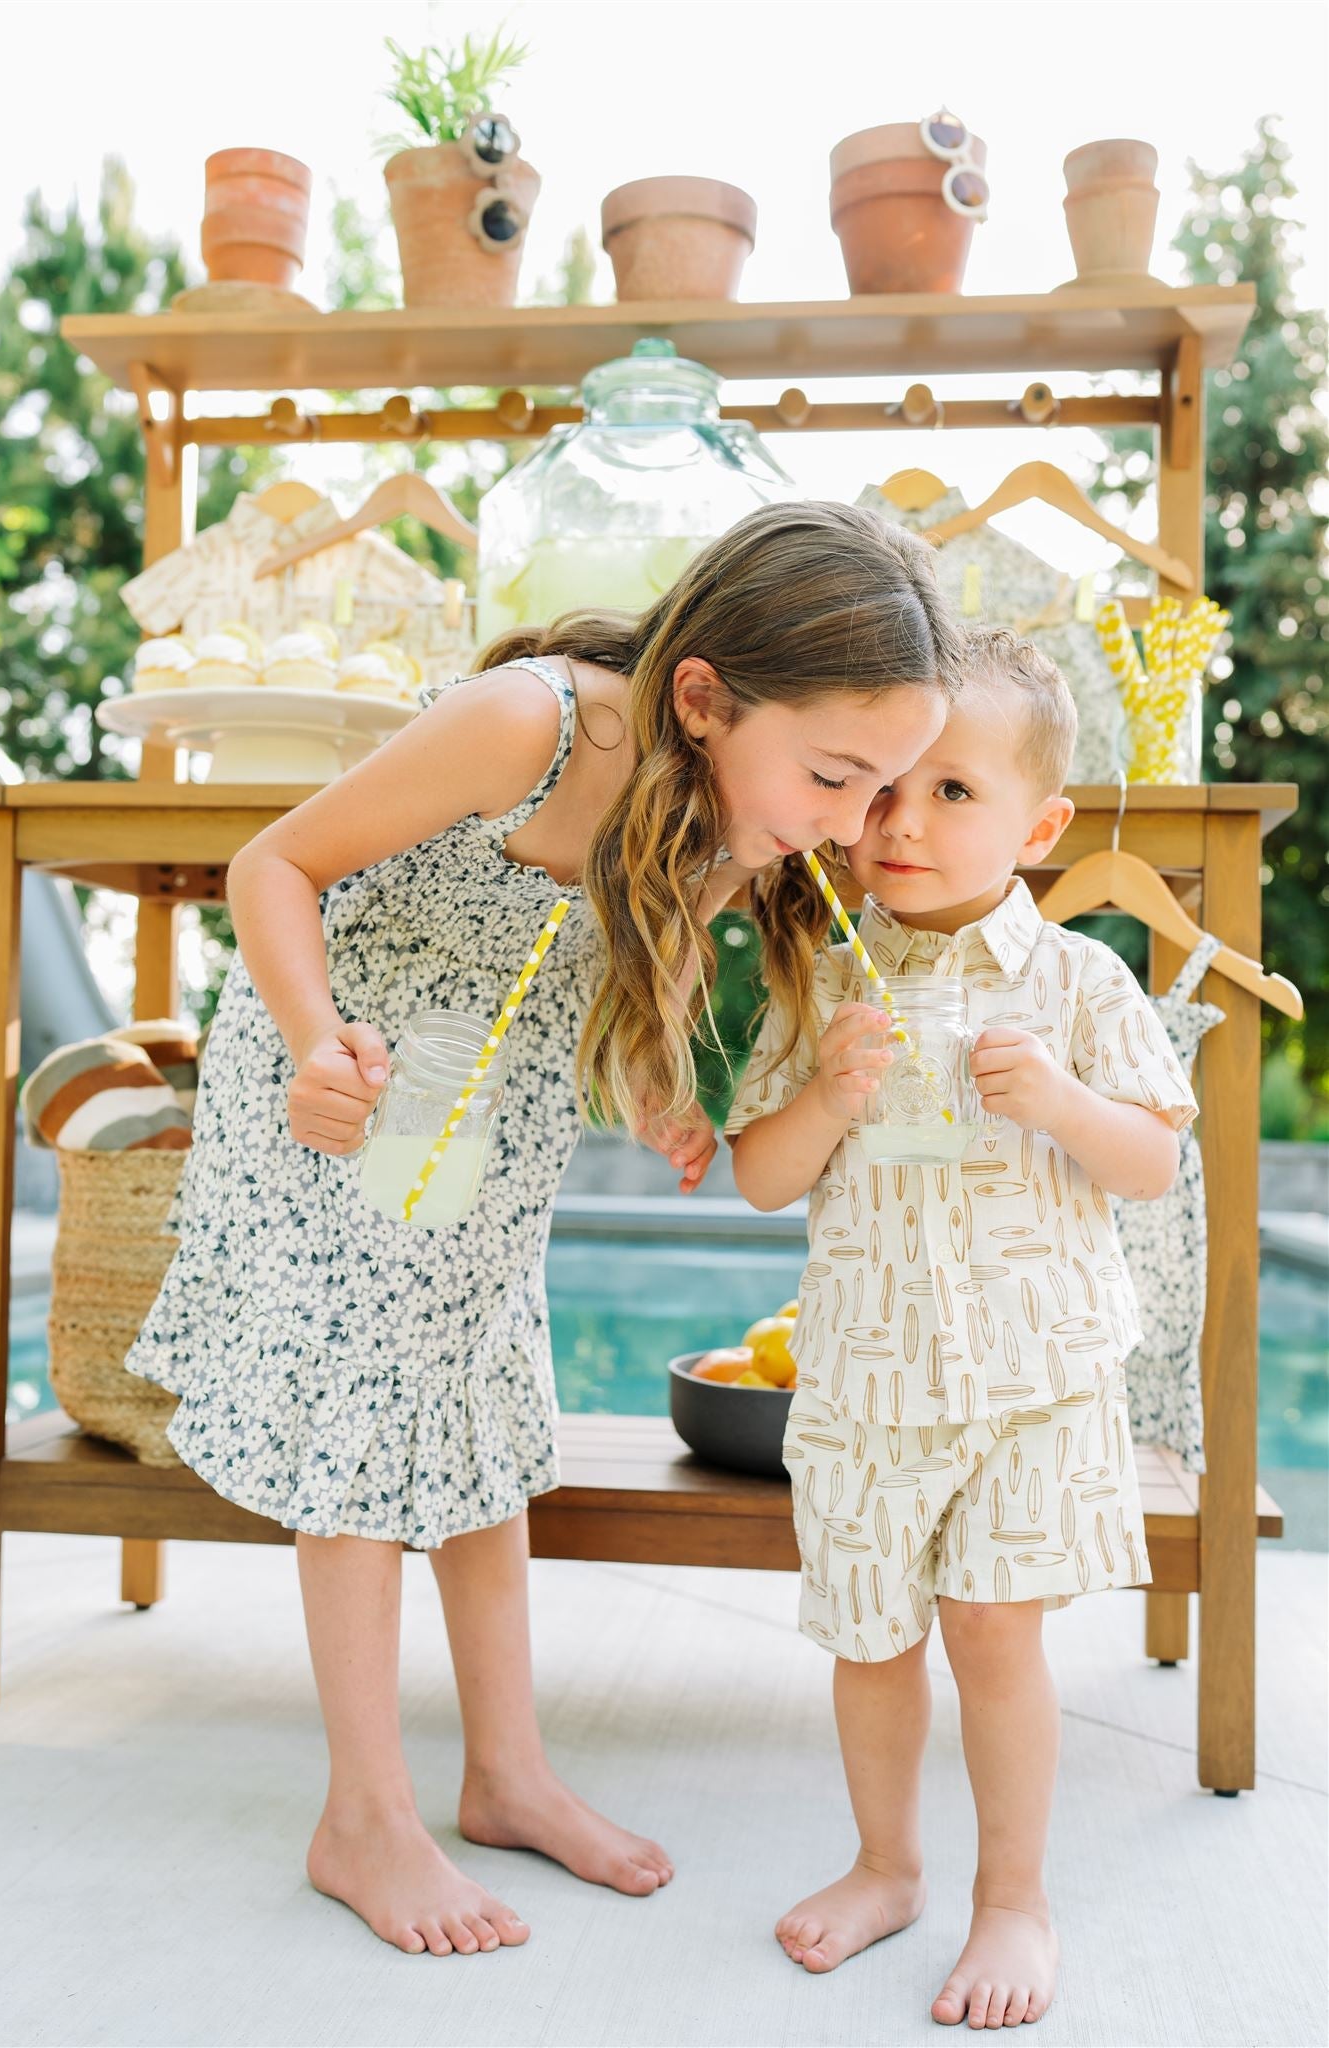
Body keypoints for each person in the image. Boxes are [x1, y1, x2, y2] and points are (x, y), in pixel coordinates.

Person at [126, 502, 960, 1959]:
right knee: (368, 1413)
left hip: (493, 1104)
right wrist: (320, 1045)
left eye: (875, 787)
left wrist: (653, 1093)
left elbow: (636, 953)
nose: (844, 820)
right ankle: (363, 1818)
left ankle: (504, 1774)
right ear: (700, 697)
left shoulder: (732, 807)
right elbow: (275, 867)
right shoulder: (529, 728)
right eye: (835, 775)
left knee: (484, 1400)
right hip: (348, 1075)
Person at [728, 627, 1197, 2029]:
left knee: (994, 1632)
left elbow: (1151, 1163)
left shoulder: (1077, 984)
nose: (905, 823)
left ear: (1038, 826)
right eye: (885, 792)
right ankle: (884, 1867)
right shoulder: (821, 979)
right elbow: (762, 1177)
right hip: (867, 1380)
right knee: (870, 1639)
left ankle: (1014, 1896)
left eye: (953, 793)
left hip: (1030, 1378)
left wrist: (1056, 1099)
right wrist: (822, 1095)